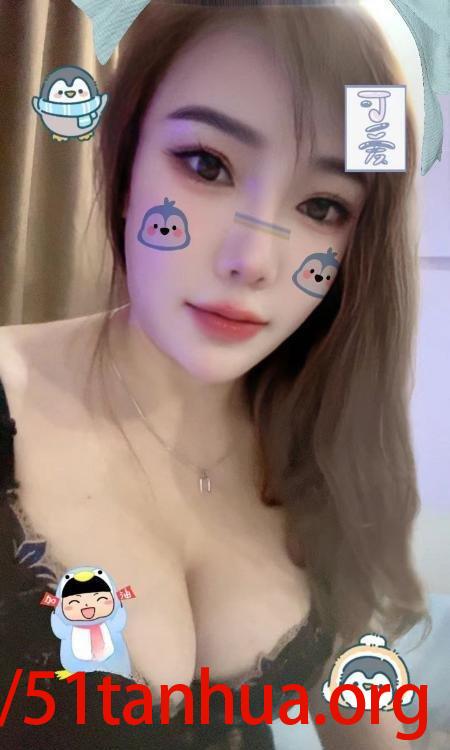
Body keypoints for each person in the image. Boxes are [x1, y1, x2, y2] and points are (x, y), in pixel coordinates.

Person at [0, 0, 430, 747]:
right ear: (125, 159)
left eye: (323, 205)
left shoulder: (323, 454)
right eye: (207, 164)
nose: (252, 261)